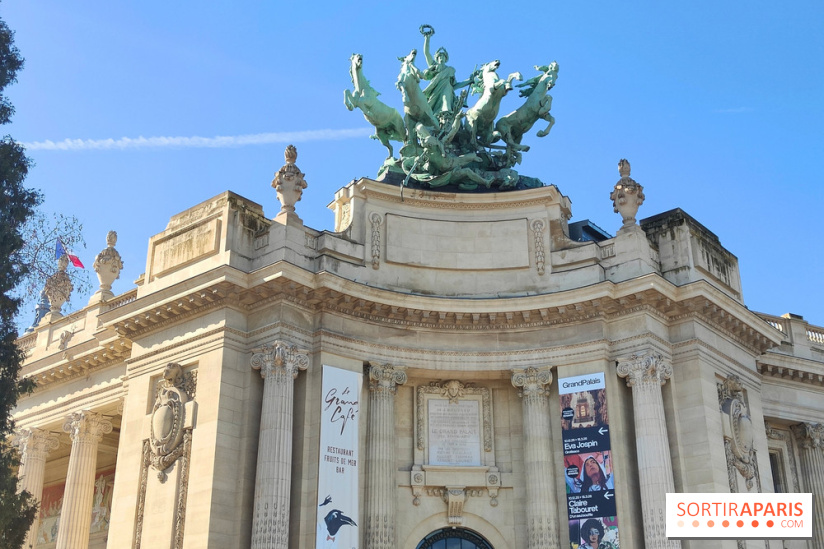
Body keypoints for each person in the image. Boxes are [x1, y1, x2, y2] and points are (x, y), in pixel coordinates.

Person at [420, 25, 470, 114]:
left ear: (446, 58)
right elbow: (426, 53)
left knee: (447, 92)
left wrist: (469, 81)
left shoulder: (450, 70)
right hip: (435, 90)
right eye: (439, 56)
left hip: (447, 90)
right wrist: (427, 38)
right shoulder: (434, 65)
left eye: (443, 56)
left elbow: (455, 85)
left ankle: (446, 112)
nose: (441, 58)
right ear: (437, 58)